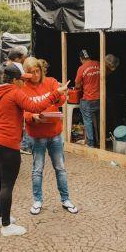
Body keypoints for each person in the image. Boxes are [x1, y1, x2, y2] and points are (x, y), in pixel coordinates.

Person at [0, 64, 69, 237]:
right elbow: (35, 107)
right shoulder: (14, 92)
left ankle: (0, 217)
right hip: (8, 144)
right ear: (14, 80)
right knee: (7, 184)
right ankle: (7, 226)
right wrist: (57, 93)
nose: (24, 84)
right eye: (22, 80)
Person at [21, 57, 78, 216]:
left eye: (37, 71)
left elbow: (60, 102)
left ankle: (65, 199)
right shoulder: (23, 89)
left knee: (60, 168)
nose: (35, 75)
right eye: (31, 72)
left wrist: (62, 94)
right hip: (37, 135)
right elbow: (24, 113)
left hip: (54, 134)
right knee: (37, 169)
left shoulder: (51, 82)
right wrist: (33, 117)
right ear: (26, 73)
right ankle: (37, 200)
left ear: (41, 69)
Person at [75, 49, 101, 148]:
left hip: (88, 99)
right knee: (99, 120)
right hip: (100, 99)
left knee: (88, 120)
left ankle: (90, 143)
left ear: (81, 59)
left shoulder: (81, 68)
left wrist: (82, 84)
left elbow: (77, 85)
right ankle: (100, 141)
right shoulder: (98, 64)